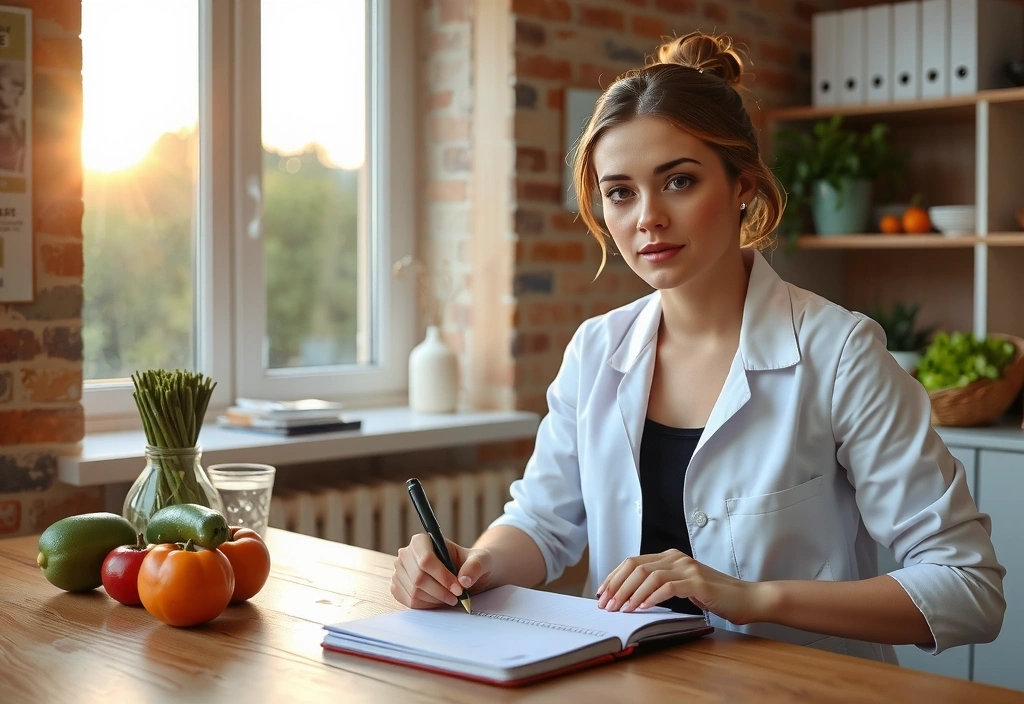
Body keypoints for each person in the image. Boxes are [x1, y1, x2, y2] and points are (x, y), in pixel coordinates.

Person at [390, 31, 1005, 663]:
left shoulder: (840, 352)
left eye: (678, 181)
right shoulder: (596, 350)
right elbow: (543, 523)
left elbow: (968, 588)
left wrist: (750, 598)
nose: (646, 217)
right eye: (620, 192)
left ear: (742, 184)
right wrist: (474, 563)